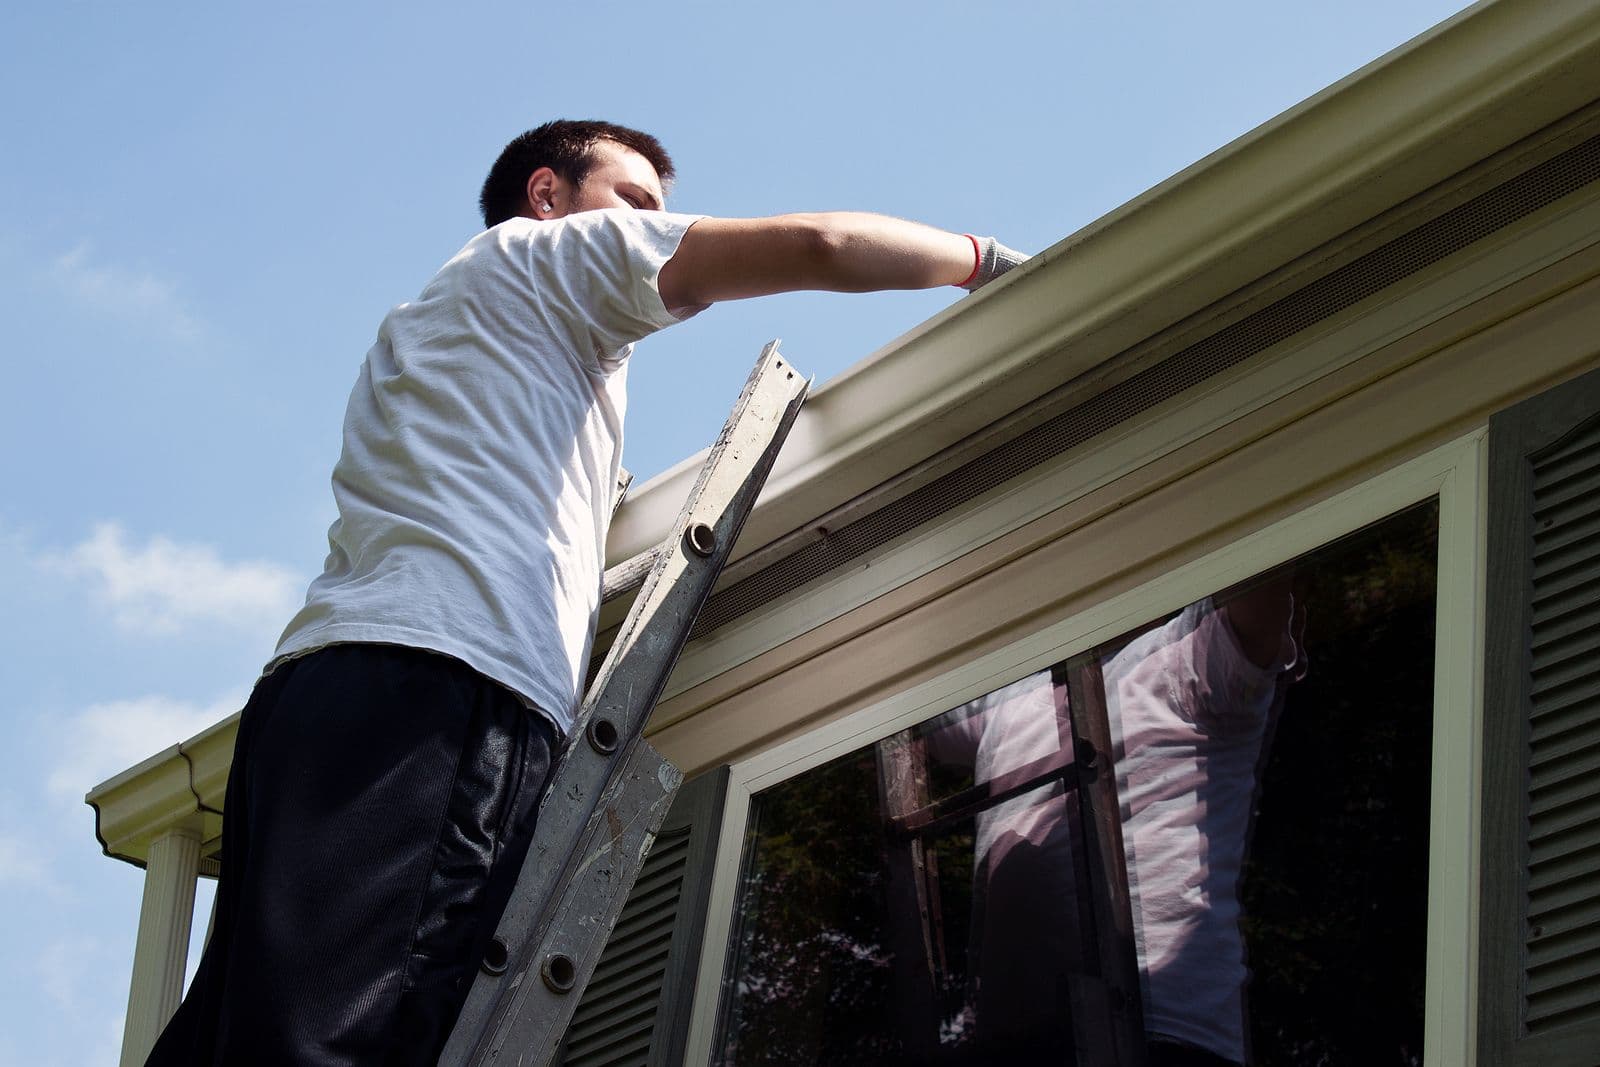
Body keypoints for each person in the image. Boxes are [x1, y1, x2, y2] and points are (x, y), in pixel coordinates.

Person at [144, 119, 1028, 1066]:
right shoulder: (555, 251)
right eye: (635, 199)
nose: (657, 221)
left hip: (319, 691)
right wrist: (989, 264)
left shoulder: (451, 325)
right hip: (443, 690)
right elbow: (819, 242)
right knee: (350, 1038)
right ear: (548, 194)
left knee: (242, 1034)